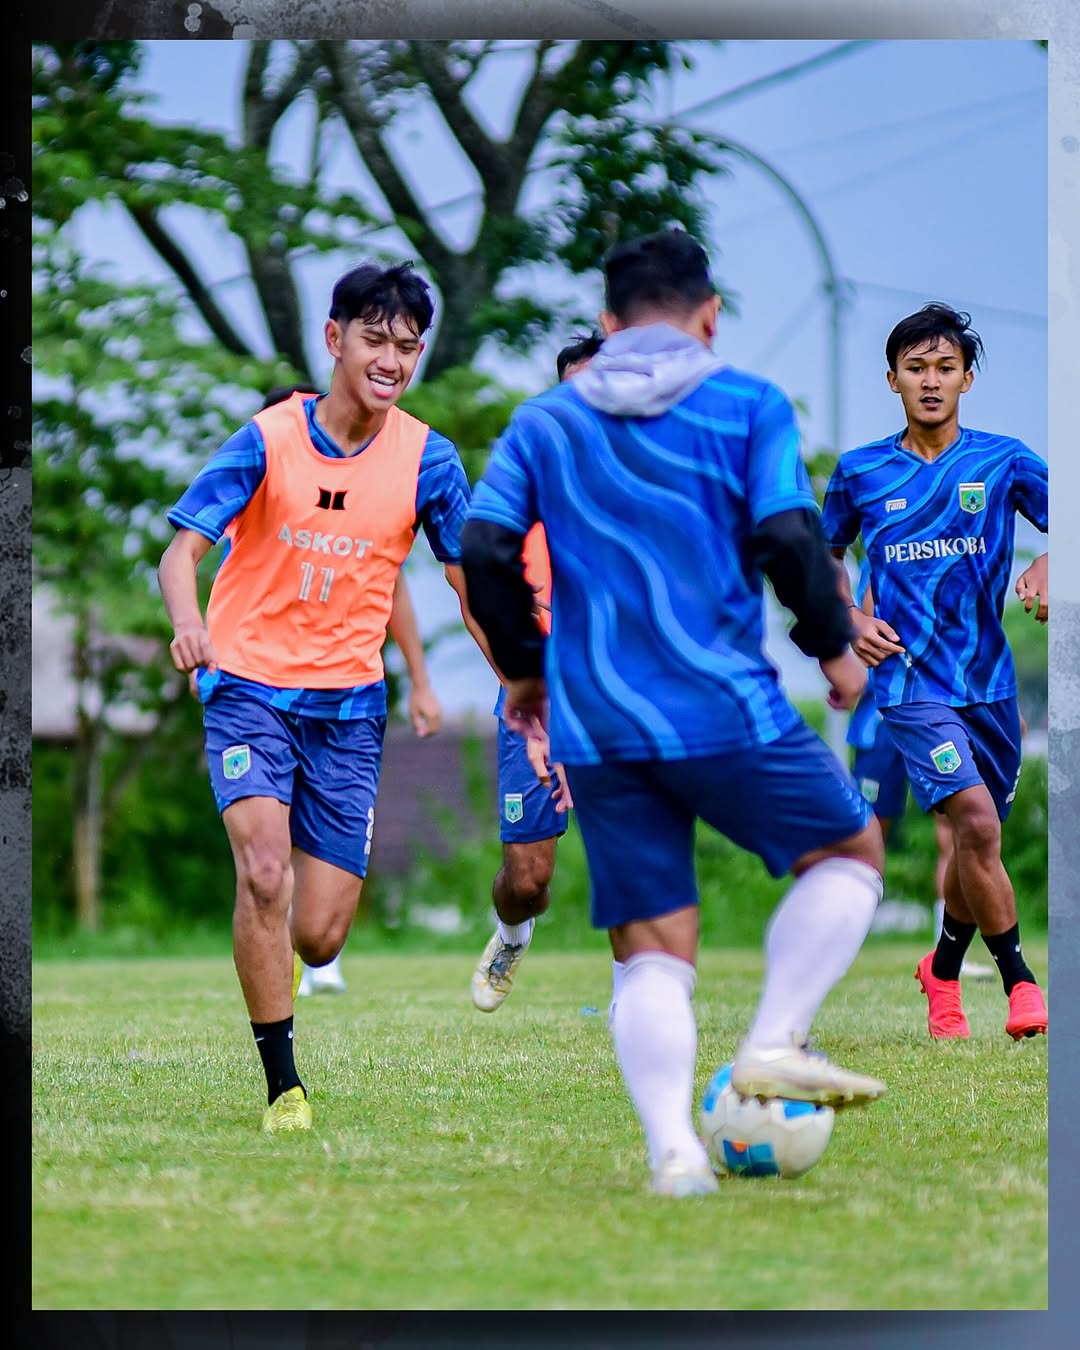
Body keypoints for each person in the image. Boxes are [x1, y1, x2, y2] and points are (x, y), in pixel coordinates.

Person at [462, 228, 888, 1198]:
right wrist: (830, 644)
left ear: (607, 325)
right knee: (852, 853)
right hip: (721, 706)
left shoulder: (545, 421)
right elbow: (787, 533)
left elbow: (486, 548)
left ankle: (675, 1158)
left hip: (598, 722)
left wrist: (527, 673)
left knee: (654, 950)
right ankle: (774, 1040)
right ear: (710, 317)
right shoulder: (746, 403)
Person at [158, 261, 487, 1133]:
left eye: (408, 347)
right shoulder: (267, 439)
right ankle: (284, 1086)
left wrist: (523, 687)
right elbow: (180, 552)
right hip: (249, 688)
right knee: (262, 871)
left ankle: (298, 955)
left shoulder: (428, 458)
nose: (392, 359)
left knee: (320, 936)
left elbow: (466, 585)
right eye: (375, 339)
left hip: (348, 710)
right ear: (335, 339)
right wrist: (189, 625)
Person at [820, 302, 1048, 1041]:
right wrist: (851, 621)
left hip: (990, 684)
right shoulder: (859, 472)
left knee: (979, 846)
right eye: (915, 368)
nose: (930, 381)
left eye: (944, 368)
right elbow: (820, 556)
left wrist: (1049, 558)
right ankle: (1021, 984)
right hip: (910, 686)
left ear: (967, 379)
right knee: (974, 823)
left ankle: (942, 972)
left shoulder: (1003, 460)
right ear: (892, 380)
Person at [235, 387, 445, 999]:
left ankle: (315, 952)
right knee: (266, 849)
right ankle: (276, 949)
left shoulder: (358, 496)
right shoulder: (257, 493)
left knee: (321, 899)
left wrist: (423, 681)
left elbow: (395, 588)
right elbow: (230, 583)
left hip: (344, 699)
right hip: (262, 691)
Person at [470, 331, 608, 1013]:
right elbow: (484, 591)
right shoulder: (522, 490)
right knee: (528, 877)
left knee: (631, 850)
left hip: (622, 694)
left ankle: (635, 997)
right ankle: (512, 933)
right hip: (536, 699)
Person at [846, 560, 994, 979]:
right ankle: (840, 938)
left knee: (957, 830)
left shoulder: (948, 559)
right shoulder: (882, 554)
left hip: (939, 715)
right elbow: (869, 628)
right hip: (882, 720)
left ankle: (950, 952)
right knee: (869, 834)